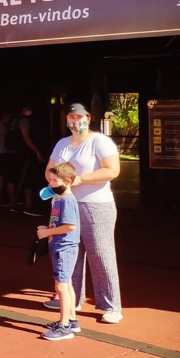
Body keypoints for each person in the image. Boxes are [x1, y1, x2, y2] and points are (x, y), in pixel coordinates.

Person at [45, 102, 123, 324]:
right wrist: (57, 184)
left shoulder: (99, 141)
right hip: (65, 203)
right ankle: (71, 299)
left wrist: (79, 179)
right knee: (69, 252)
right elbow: (49, 169)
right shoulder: (62, 144)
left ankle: (111, 305)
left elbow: (112, 170)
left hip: (95, 204)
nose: (74, 121)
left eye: (78, 117)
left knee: (100, 253)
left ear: (88, 117)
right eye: (70, 117)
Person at [36, 162, 81, 341]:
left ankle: (64, 327)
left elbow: (70, 226)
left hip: (64, 247)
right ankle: (71, 320)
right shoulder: (60, 199)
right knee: (66, 284)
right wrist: (48, 228)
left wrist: (48, 232)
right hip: (60, 246)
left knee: (61, 286)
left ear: (67, 181)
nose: (51, 184)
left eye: (55, 181)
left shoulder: (67, 200)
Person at [14, 104, 47, 215]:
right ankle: (28, 205)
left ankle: (18, 203)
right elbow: (26, 137)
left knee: (22, 178)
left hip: (19, 153)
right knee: (28, 178)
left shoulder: (16, 120)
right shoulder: (24, 121)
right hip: (26, 154)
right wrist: (37, 151)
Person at [0, 110, 18, 208]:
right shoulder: (3, 127)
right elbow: (5, 142)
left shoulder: (1, 126)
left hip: (2, 154)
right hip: (5, 155)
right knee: (7, 177)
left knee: (2, 177)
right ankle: (12, 200)